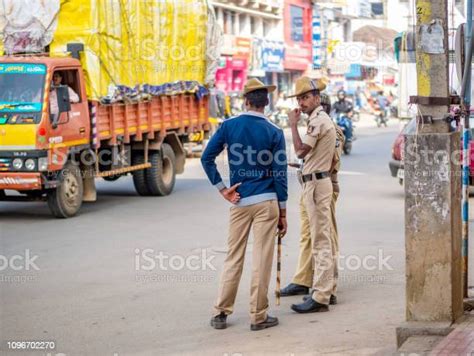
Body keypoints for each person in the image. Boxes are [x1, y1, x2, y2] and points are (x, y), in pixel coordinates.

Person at [201, 78, 288, 331]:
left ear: (246, 101)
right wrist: (283, 212)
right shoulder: (275, 132)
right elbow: (280, 174)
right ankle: (258, 316)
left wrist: (223, 190)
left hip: (239, 201)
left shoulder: (229, 126)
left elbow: (207, 159)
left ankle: (220, 314)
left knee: (233, 257)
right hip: (267, 201)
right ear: (266, 103)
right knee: (262, 259)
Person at [280, 92, 344, 306]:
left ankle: (324, 291)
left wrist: (293, 125)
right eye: (299, 99)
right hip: (312, 184)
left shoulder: (324, 124)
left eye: (305, 99)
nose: (301, 104)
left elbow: (324, 159)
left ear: (320, 103)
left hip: (321, 186)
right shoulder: (318, 125)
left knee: (323, 239)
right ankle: (307, 280)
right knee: (311, 236)